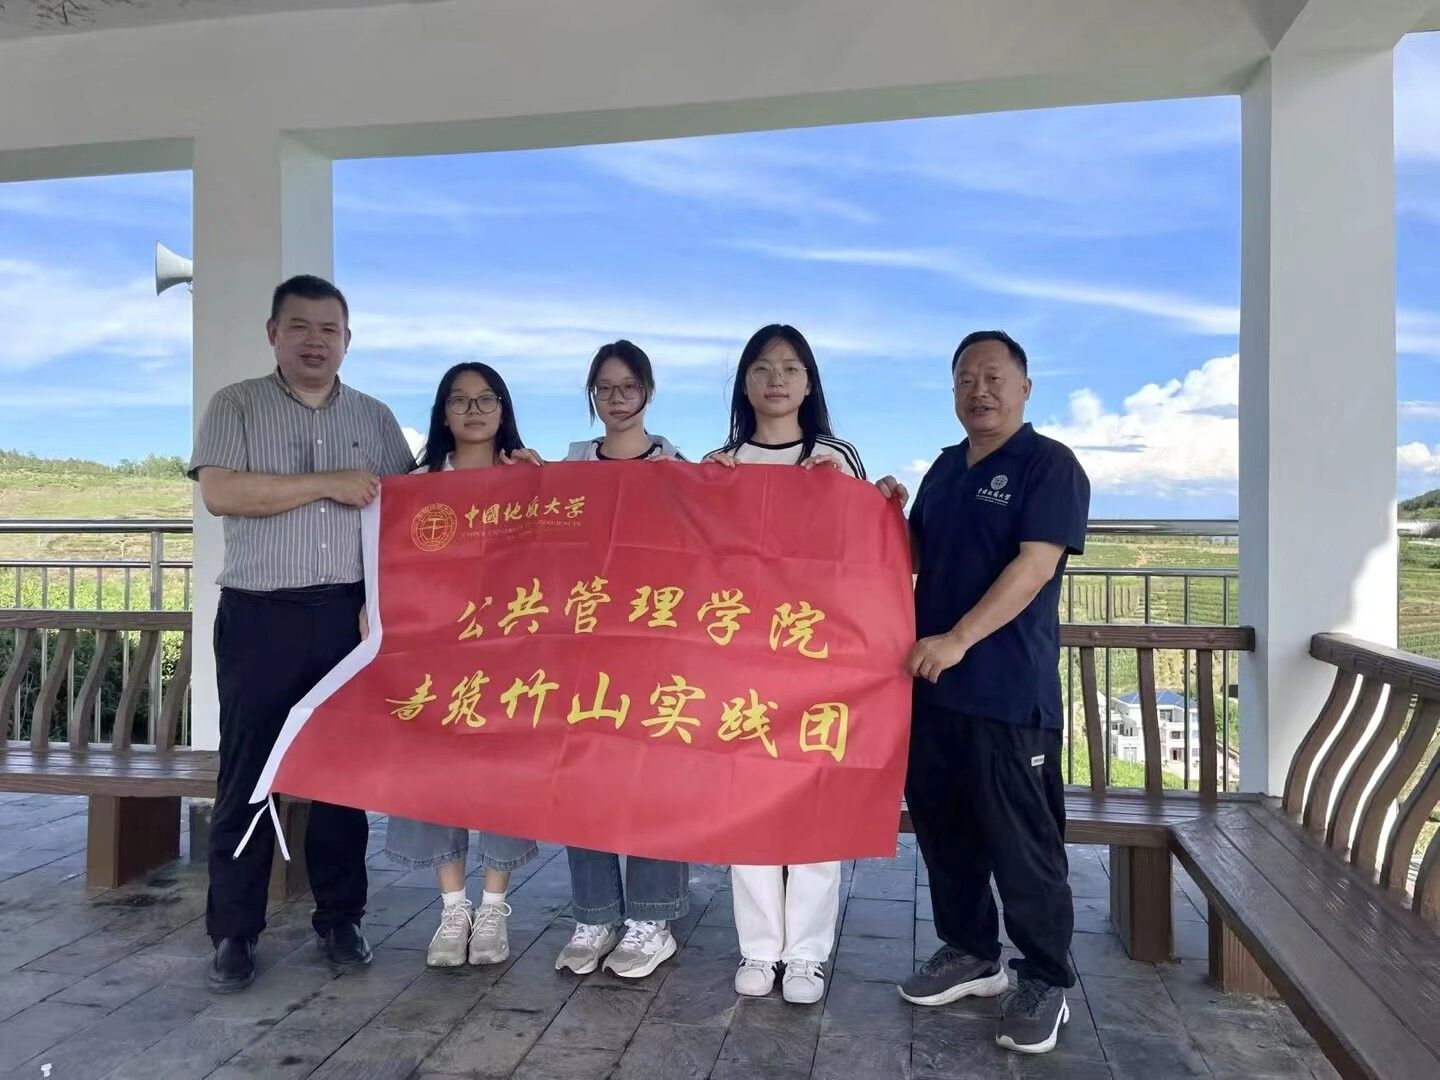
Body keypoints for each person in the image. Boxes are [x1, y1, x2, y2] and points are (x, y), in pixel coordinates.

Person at [189, 274, 417, 993]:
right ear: (273, 334)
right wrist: (325, 482)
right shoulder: (236, 405)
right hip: (260, 615)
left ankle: (341, 918)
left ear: (348, 340)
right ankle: (234, 931)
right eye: (300, 327)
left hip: (348, 616)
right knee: (250, 773)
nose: (315, 341)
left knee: (343, 774)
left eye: (329, 330)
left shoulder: (376, 417)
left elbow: (412, 513)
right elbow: (222, 492)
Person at [875, 330, 1090, 1056]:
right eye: (966, 378)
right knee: (947, 834)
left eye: (995, 377)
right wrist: (882, 513)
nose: (980, 390)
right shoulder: (943, 468)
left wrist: (959, 638)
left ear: (1025, 388)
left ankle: (1046, 977)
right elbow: (911, 555)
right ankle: (971, 952)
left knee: (1023, 844)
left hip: (1007, 693)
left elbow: (1035, 566)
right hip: (932, 691)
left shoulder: (1049, 465)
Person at [705, 324, 864, 1005]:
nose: (777, 379)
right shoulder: (720, 463)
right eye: (763, 368)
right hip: (742, 660)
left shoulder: (836, 457)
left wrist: (870, 498)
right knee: (749, 803)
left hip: (818, 659)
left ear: (808, 382)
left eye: (791, 368)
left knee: (813, 803)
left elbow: (864, 554)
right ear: (744, 382)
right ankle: (759, 947)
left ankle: (806, 955)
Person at [382, 362, 542, 968]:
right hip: (434, 655)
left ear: (503, 409)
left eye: (486, 399)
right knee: (436, 773)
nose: (474, 411)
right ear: (443, 413)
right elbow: (389, 563)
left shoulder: (530, 479)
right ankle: (453, 908)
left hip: (509, 653)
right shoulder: (415, 487)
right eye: (459, 400)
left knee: (502, 775)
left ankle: (494, 907)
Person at [555, 340, 690, 979]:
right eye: (604, 387)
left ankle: (651, 920)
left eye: (628, 386)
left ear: (648, 392)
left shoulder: (679, 468)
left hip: (655, 649)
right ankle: (595, 915)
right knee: (583, 778)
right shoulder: (569, 465)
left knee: (650, 781)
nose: (617, 398)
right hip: (584, 648)